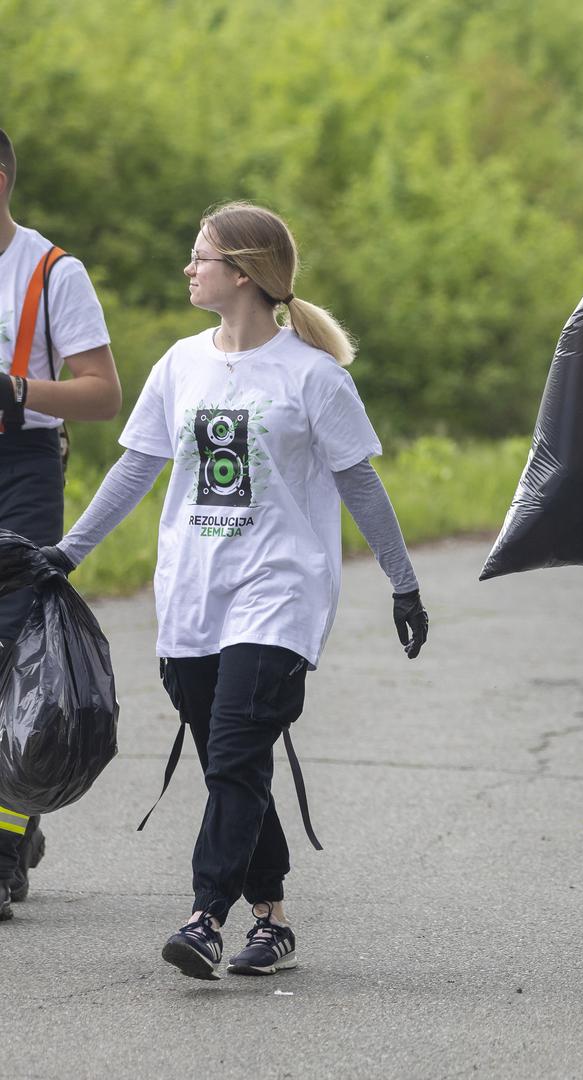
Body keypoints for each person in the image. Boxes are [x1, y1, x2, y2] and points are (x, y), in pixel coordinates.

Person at [40, 201, 429, 979]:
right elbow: (137, 469)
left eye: (201, 257)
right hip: (191, 593)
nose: (189, 268)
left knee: (237, 745)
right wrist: (67, 554)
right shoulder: (180, 364)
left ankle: (204, 917)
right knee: (234, 762)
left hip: (280, 592)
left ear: (243, 273)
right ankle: (273, 917)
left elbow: (360, 484)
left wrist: (403, 583)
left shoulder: (313, 377)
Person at [0, 126, 123, 923]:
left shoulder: (51, 271)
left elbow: (103, 392)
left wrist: (16, 390)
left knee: (10, 653)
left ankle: (6, 839)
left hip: (21, 469)